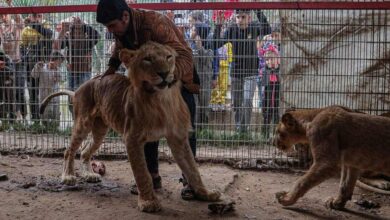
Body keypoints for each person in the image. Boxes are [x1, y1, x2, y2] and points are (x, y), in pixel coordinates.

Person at [96, 0, 200, 200]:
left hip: (181, 81)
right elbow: (120, 48)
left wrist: (168, 80)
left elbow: (186, 56)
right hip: (150, 85)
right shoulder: (123, 29)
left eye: (111, 26)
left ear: (125, 17)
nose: (110, 31)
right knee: (146, 127)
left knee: (184, 131)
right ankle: (152, 178)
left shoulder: (155, 23)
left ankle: (190, 182)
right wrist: (109, 71)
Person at [212, 9, 271, 133]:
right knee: (237, 103)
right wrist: (218, 25)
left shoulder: (254, 26)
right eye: (238, 17)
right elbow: (216, 44)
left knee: (247, 100)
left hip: (251, 72)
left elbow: (268, 30)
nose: (240, 20)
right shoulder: (232, 29)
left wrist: (258, 11)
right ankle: (239, 129)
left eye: (243, 17)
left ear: (249, 18)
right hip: (236, 72)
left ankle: (244, 129)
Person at [56, 16, 100, 113]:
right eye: (75, 29)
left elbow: (97, 36)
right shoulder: (69, 38)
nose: (77, 32)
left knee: (84, 98)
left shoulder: (88, 40)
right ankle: (74, 120)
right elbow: (57, 46)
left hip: (84, 72)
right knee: (71, 99)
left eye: (80, 29)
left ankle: (84, 120)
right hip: (72, 72)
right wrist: (63, 31)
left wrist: (83, 25)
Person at [21, 13, 53, 120]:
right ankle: (35, 119)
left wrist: (34, 24)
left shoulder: (46, 25)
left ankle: (46, 118)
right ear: (30, 17)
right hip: (31, 64)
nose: (37, 18)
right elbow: (22, 47)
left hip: (44, 64)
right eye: (34, 16)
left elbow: (48, 34)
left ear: (42, 16)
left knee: (46, 91)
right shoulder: (26, 30)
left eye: (39, 15)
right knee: (33, 91)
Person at [0, 0, 24, 121]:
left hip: (17, 61)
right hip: (6, 64)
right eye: (1, 15)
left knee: (19, 91)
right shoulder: (1, 28)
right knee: (8, 92)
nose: (3, 17)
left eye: (5, 14)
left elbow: (20, 19)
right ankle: (11, 119)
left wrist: (11, 5)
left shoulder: (15, 24)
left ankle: (23, 118)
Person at [31, 51, 65, 124]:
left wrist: (57, 74)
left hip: (55, 95)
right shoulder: (42, 67)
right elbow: (33, 75)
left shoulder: (58, 70)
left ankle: (55, 125)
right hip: (44, 95)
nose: (60, 64)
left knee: (55, 112)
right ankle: (45, 125)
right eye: (59, 62)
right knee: (44, 112)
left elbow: (61, 79)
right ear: (54, 60)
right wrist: (37, 66)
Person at [189, 23, 213, 127]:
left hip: (205, 80)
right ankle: (195, 129)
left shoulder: (209, 45)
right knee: (195, 106)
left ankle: (204, 130)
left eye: (194, 30)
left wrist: (200, 47)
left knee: (204, 105)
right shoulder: (189, 44)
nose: (191, 31)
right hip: (193, 80)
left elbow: (207, 60)